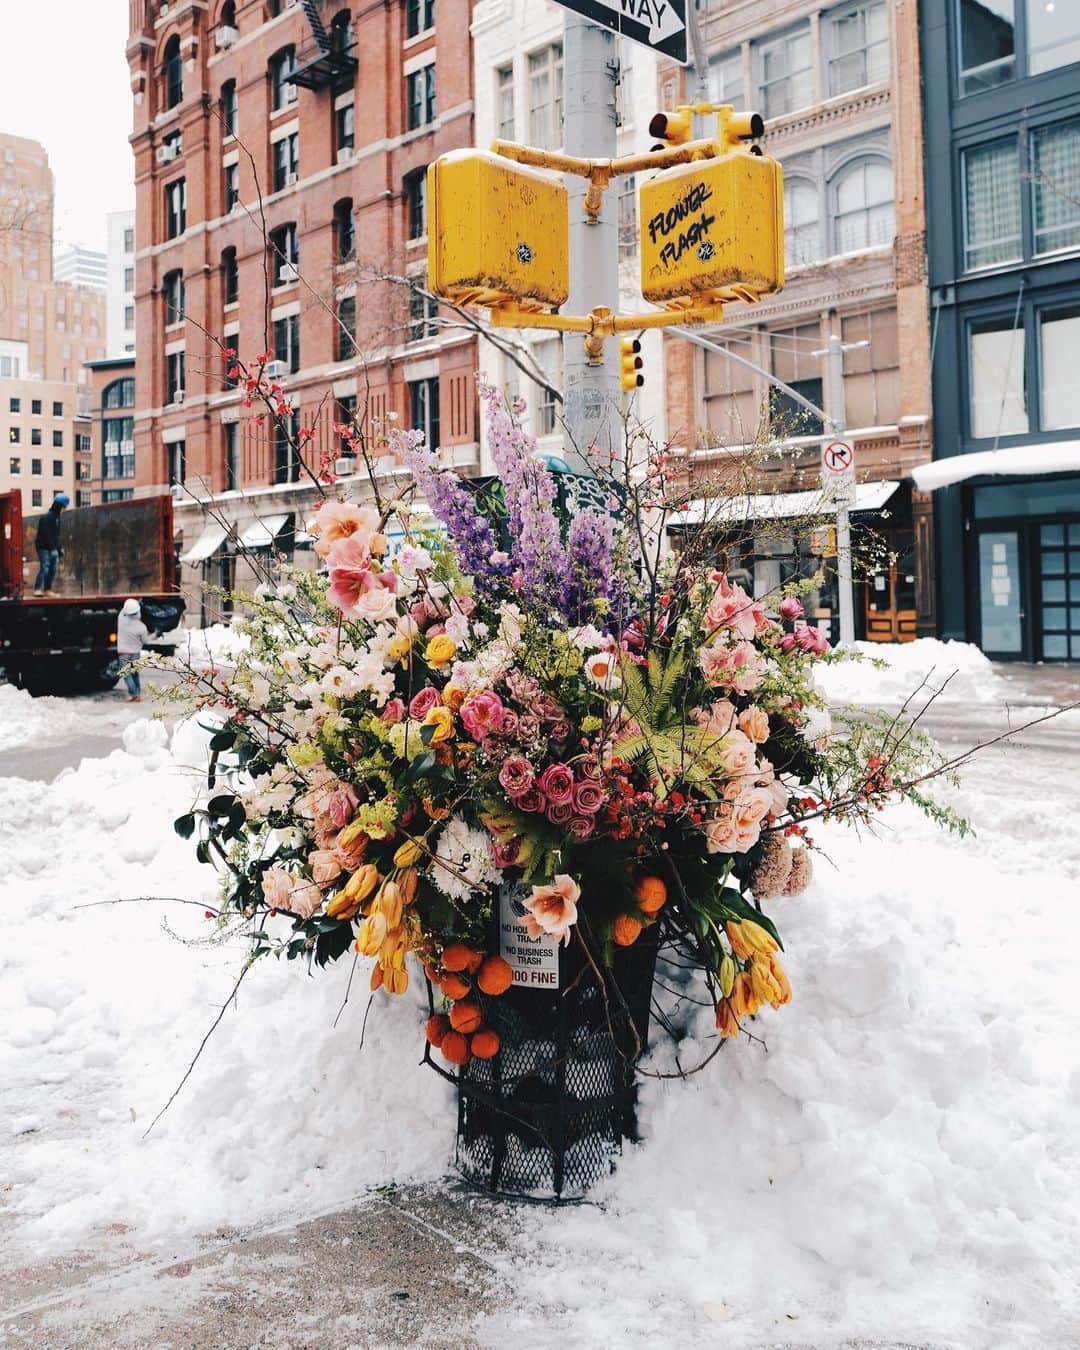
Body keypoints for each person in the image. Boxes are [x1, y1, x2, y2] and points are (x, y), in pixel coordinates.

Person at [117, 597, 152, 702]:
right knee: (135, 673)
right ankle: (137, 693)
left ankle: (134, 694)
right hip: (136, 654)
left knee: (126, 674)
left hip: (124, 653)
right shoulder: (142, 627)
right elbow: (145, 641)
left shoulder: (121, 620)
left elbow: (124, 611)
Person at [33, 493, 69, 595]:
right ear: (58, 506)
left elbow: (56, 536)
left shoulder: (57, 519)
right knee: (45, 567)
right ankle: (37, 588)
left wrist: (59, 548)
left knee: (53, 569)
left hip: (51, 547)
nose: (64, 510)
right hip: (43, 547)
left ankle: (47, 589)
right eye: (63, 507)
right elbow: (46, 535)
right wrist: (53, 549)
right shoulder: (46, 518)